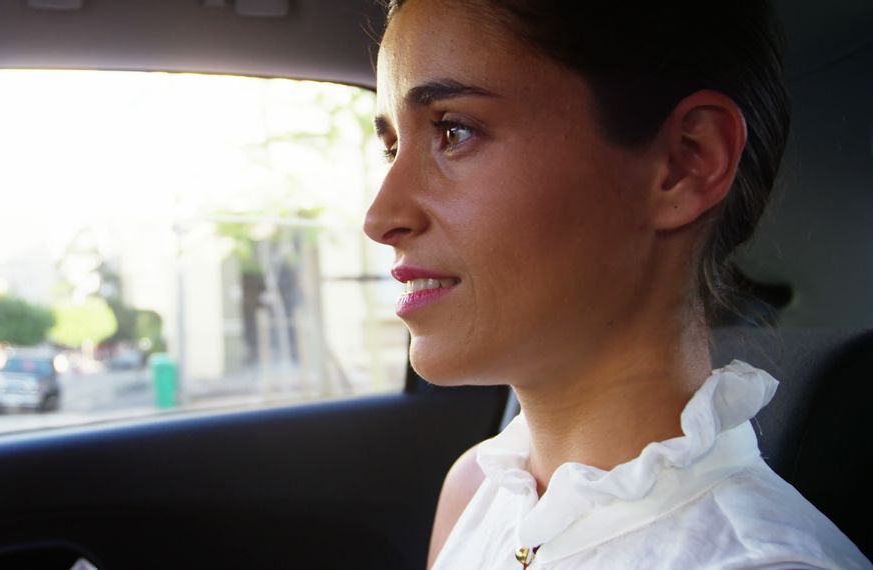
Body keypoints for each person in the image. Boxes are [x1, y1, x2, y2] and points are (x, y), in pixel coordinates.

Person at [362, 0, 871, 568]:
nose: (380, 216)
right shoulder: (475, 491)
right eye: (390, 147)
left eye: (454, 131)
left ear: (686, 164)